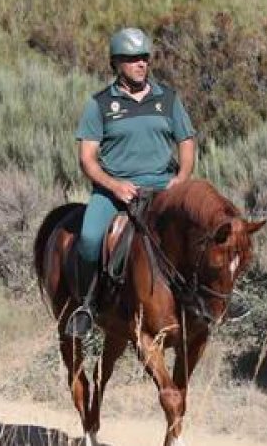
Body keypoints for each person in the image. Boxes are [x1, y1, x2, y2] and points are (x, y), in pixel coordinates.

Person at [68, 27, 197, 338]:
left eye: (145, 58)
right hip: (114, 191)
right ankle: (86, 306)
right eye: (133, 59)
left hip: (163, 187)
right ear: (116, 63)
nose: (142, 64)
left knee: (203, 230)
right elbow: (87, 159)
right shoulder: (99, 104)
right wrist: (114, 186)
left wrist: (180, 179)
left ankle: (208, 300)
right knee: (88, 239)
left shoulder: (167, 98)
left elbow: (187, 142)